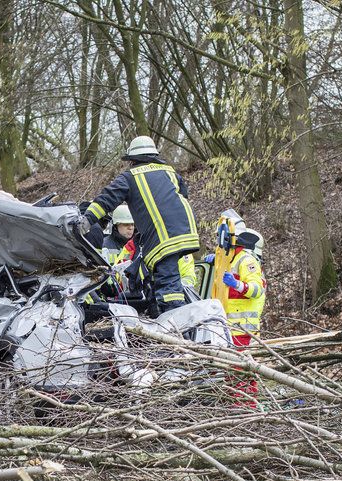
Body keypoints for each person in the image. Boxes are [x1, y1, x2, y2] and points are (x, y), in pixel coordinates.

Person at [81, 136, 199, 313]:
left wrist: (85, 221)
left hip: (163, 238)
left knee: (168, 286)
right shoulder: (170, 171)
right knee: (160, 277)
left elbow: (106, 199)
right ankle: (159, 313)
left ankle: (176, 322)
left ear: (133, 160)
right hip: (186, 231)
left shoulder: (131, 177)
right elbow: (183, 195)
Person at [206, 228, 266, 397]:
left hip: (243, 330)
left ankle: (245, 406)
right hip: (226, 329)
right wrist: (214, 265)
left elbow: (257, 290)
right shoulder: (228, 259)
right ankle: (234, 405)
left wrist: (237, 284)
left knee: (242, 372)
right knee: (229, 371)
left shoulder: (246, 260)